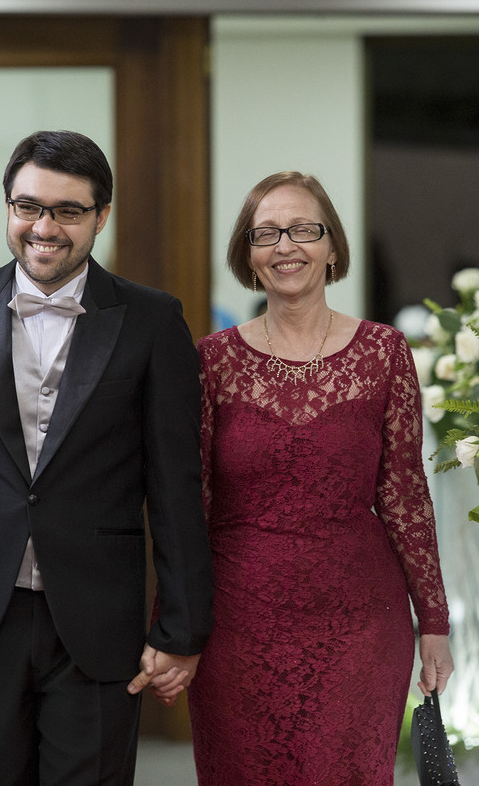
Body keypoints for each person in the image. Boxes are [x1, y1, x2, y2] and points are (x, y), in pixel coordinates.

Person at [0, 130, 213, 785]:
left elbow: (175, 486)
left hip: (98, 623)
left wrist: (181, 626)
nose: (43, 227)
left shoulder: (152, 320)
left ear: (101, 217)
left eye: (67, 210)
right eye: (27, 206)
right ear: (8, 208)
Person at [179, 171, 453, 783]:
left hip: (360, 624)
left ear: (332, 248)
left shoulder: (384, 353)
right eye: (266, 233)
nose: (286, 246)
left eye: (304, 229)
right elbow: (188, 505)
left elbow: (406, 494)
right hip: (236, 626)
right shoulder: (211, 360)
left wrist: (433, 622)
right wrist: (176, 624)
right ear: (246, 256)